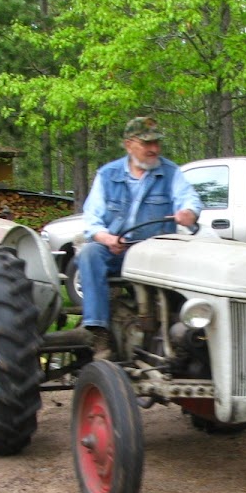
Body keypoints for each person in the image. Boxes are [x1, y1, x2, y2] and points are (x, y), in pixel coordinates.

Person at [77, 116, 202, 360]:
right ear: (129, 145)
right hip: (118, 251)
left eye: (156, 143)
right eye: (147, 144)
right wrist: (106, 238)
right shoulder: (107, 175)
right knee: (90, 253)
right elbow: (91, 220)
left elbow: (189, 200)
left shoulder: (170, 173)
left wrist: (188, 213)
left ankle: (187, 329)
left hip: (156, 252)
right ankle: (98, 333)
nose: (154, 149)